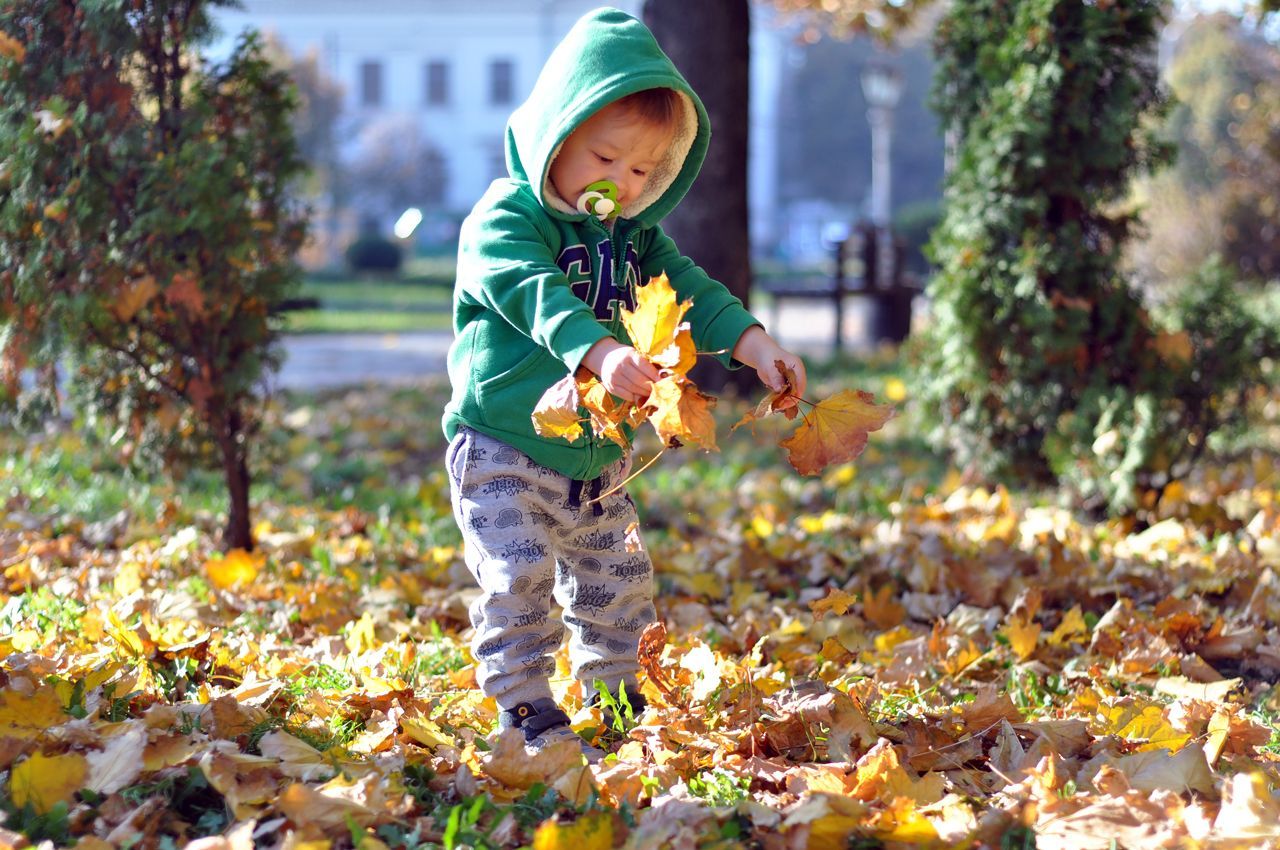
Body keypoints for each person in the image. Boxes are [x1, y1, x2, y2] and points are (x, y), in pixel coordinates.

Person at [442, 6, 807, 759]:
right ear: (555, 137)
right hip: (505, 446)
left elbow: (692, 293)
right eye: (604, 158)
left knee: (618, 580)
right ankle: (523, 704)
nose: (621, 183)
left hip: (599, 455)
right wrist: (599, 353)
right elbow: (532, 292)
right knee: (520, 579)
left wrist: (752, 340)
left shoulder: (634, 239)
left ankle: (615, 693)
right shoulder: (505, 218)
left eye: (642, 170)